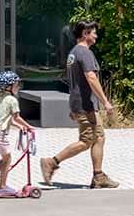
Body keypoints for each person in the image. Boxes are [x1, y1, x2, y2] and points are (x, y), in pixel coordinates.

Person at [40, 21, 119, 188]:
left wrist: (73, 106)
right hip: (86, 104)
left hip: (80, 103)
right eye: (93, 33)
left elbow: (75, 81)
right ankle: (52, 162)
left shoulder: (73, 53)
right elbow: (91, 77)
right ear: (85, 34)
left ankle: (98, 176)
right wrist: (105, 101)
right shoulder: (84, 52)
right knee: (87, 140)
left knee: (98, 137)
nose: (96, 36)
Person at [0, 69, 33, 196]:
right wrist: (30, 127)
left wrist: (19, 127)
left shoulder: (0, 98)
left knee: (4, 158)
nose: (18, 87)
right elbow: (16, 117)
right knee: (8, 158)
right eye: (16, 85)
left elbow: (7, 119)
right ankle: (3, 186)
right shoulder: (12, 100)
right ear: (8, 87)